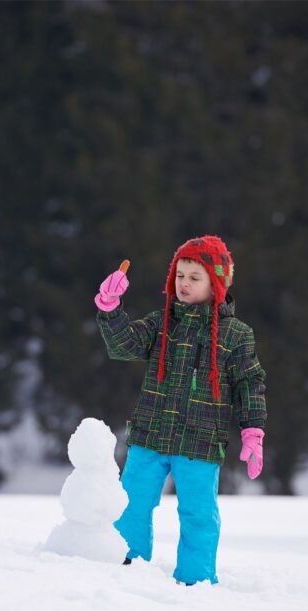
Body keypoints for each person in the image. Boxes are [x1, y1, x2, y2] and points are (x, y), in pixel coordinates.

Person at [94, 235, 267, 585]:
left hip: (201, 443)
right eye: (180, 275)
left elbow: (250, 383)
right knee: (131, 504)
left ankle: (196, 580)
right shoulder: (161, 324)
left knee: (198, 515)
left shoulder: (236, 335)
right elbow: (123, 345)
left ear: (216, 284)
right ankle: (125, 567)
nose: (184, 283)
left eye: (194, 277)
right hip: (150, 435)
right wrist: (110, 308)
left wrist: (253, 430)